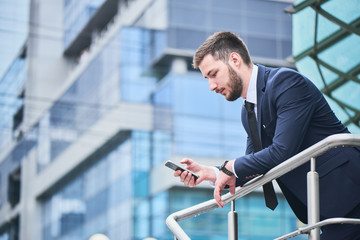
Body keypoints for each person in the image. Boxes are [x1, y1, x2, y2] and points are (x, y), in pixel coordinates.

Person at [173, 31, 360, 239]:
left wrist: (230, 167)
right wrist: (214, 173)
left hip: (351, 194)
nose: (211, 86)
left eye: (214, 74)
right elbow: (255, 165)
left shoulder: (286, 83)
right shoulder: (248, 111)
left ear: (235, 59)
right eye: (207, 78)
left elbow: (283, 150)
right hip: (328, 208)